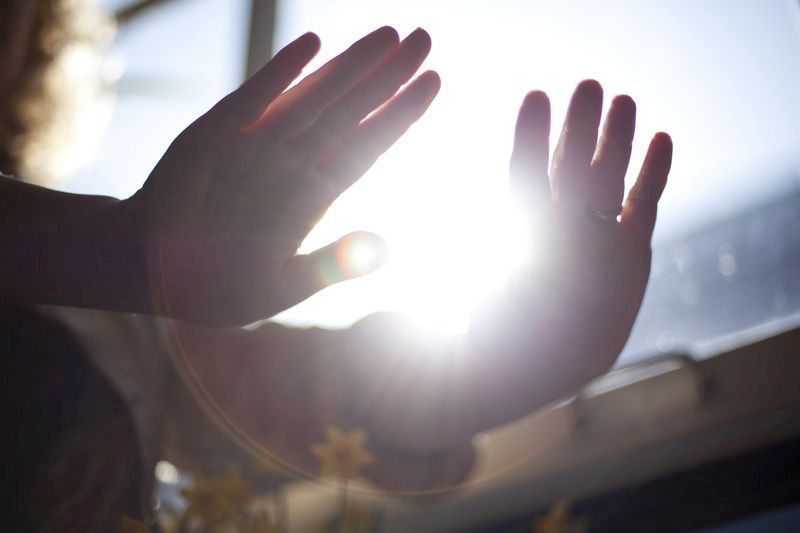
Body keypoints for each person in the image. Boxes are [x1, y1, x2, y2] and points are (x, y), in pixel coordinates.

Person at [0, 4, 672, 529]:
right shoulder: (106, 283)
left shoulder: (114, 328)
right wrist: (118, 250)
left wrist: (494, 373)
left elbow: (296, 393)